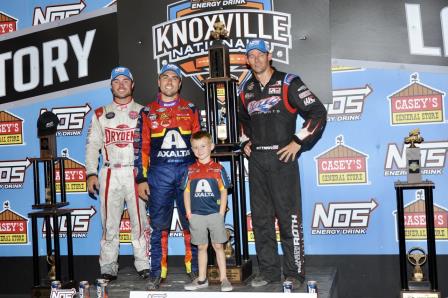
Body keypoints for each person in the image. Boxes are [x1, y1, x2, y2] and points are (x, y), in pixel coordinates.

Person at [238, 39, 327, 289]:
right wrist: (245, 141)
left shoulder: (289, 82)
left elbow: (318, 112)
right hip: (257, 162)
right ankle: (267, 271)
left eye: (260, 54)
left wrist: (298, 141)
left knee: (289, 220)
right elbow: (241, 121)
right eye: (251, 55)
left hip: (282, 159)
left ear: (270, 56)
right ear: (247, 60)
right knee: (261, 220)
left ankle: (294, 273)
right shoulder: (245, 90)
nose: (256, 59)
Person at [134, 64, 200, 290]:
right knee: (158, 227)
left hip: (186, 172)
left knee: (192, 223)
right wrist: (141, 179)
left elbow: (201, 145)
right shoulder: (147, 111)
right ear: (159, 82)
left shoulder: (191, 109)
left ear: (180, 83)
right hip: (159, 174)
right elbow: (141, 147)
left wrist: (201, 173)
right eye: (165, 77)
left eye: (174, 78)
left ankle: (195, 270)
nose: (170, 81)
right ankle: (156, 273)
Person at [85, 66, 149, 281]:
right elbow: (93, 146)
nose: (121, 84)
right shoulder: (100, 113)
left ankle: (143, 263)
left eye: (125, 80)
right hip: (110, 171)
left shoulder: (143, 111)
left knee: (139, 222)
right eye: (116, 81)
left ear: (132, 84)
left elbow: (149, 147)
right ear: (111, 85)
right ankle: (108, 265)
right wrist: (91, 173)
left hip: (135, 171)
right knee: (109, 224)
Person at [182, 131, 233, 292]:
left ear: (211, 146)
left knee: (218, 245)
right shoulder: (190, 170)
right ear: (192, 149)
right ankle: (202, 279)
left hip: (214, 214)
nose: (200, 150)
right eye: (196, 147)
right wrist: (189, 212)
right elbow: (186, 191)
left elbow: (224, 191)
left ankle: (224, 278)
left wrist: (221, 212)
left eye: (203, 146)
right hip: (196, 215)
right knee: (201, 247)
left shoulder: (218, 169)